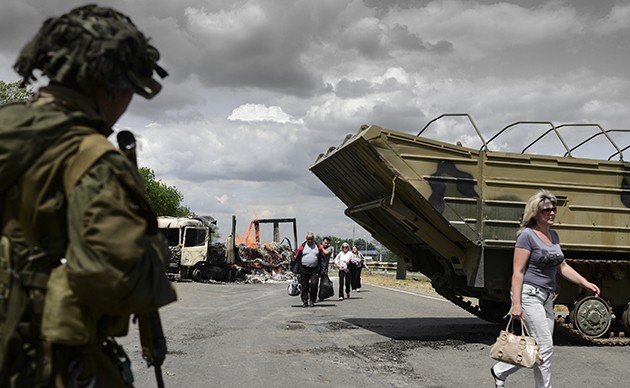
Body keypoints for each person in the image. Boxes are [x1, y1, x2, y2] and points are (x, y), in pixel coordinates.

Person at [0, 5, 176, 387]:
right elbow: (115, 277)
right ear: (109, 85)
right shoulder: (91, 157)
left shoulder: (7, 128)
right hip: (49, 364)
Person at [491, 190, 600, 388]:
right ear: (535, 213)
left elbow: (563, 266)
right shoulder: (527, 236)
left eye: (553, 209)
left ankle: (500, 370)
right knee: (546, 347)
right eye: (546, 210)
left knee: (539, 347)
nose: (551, 213)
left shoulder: (553, 235)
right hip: (529, 295)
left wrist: (585, 283)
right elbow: (518, 272)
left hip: (547, 298)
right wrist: (516, 304)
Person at [291, 232, 327, 307]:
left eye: (311, 239)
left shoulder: (318, 247)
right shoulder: (302, 246)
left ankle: (312, 300)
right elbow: (297, 258)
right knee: (305, 285)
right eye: (308, 239)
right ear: (306, 239)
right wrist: (295, 270)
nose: (310, 241)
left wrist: (323, 269)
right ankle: (305, 301)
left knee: (314, 284)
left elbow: (323, 258)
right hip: (304, 268)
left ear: (313, 239)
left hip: (315, 269)